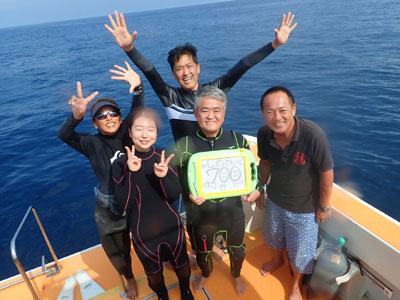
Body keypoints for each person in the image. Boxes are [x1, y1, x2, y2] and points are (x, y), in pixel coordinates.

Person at [105, 10, 297, 141]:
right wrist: (129, 49)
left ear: (198, 68)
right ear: (173, 74)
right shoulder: (169, 96)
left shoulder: (213, 91)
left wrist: (274, 45)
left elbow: (242, 66)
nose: (186, 72)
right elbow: (150, 72)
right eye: (179, 69)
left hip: (215, 158)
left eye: (189, 66)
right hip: (187, 166)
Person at [58, 62, 143, 300]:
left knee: (150, 235)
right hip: (110, 206)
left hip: (137, 199)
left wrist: (137, 87)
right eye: (101, 116)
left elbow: (138, 107)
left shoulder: (128, 131)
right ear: (95, 123)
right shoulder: (91, 143)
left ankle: (162, 260)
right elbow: (64, 134)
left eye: (113, 113)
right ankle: (130, 278)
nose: (109, 118)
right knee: (118, 250)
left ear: (119, 117)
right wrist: (75, 117)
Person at [172, 86, 262, 296]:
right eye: (204, 110)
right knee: (203, 253)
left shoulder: (238, 140)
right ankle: (205, 273)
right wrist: (188, 194)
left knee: (238, 250)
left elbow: (252, 174)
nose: (210, 115)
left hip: (233, 213)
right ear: (195, 114)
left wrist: (257, 190)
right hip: (200, 217)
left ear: (224, 113)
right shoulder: (184, 145)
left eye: (216, 110)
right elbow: (172, 182)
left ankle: (237, 276)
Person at [256, 86, 334, 300]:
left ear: (293, 109)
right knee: (272, 236)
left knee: (301, 253)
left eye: (282, 110)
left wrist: (323, 206)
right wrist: (260, 188)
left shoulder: (313, 135)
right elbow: (264, 163)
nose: (277, 117)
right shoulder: (264, 134)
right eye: (270, 112)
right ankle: (277, 260)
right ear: (263, 114)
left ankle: (296, 285)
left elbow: (326, 172)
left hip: (305, 208)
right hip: (275, 199)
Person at [112, 108, 193, 300]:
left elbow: (173, 195)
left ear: (157, 133)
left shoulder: (163, 157)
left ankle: (185, 290)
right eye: (139, 129)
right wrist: (131, 173)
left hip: (171, 225)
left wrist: (163, 177)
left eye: (150, 129)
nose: (145, 134)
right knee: (154, 274)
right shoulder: (120, 164)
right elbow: (123, 204)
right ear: (130, 133)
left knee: (182, 265)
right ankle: (163, 296)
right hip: (143, 231)